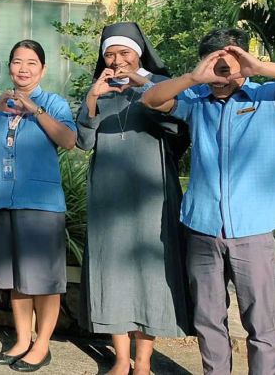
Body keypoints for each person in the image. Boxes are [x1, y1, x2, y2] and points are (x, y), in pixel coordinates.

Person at [142, 28, 275, 375]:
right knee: (208, 319)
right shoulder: (196, 100)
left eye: (229, 65)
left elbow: (259, 76)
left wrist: (258, 68)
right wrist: (191, 77)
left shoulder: (267, 97)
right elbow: (151, 100)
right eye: (214, 65)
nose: (222, 75)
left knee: (262, 323)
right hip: (202, 226)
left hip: (254, 228)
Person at [76, 22, 193, 375]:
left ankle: (143, 361)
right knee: (110, 271)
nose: (116, 60)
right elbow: (83, 142)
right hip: (108, 198)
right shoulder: (99, 92)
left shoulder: (159, 87)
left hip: (151, 196)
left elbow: (180, 123)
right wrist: (93, 98)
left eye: (124, 53)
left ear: (139, 55)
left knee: (150, 273)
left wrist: (144, 83)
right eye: (109, 54)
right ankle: (121, 359)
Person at [0, 40, 77, 372]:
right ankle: (23, 340)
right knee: (16, 279)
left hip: (40, 204)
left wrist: (36, 111)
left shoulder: (52, 103)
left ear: (42, 69)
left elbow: (69, 141)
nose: (22, 69)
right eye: (16, 62)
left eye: (30, 63)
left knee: (44, 279)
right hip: (3, 200)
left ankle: (42, 345)